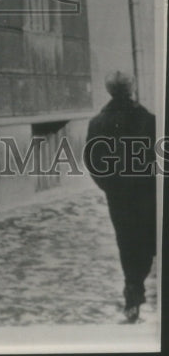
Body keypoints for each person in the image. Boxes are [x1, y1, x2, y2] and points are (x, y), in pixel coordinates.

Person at [84, 70, 156, 323]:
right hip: (148, 195)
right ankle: (135, 288)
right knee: (148, 244)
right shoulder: (149, 120)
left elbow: (93, 162)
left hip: (119, 198)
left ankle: (133, 290)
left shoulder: (98, 123)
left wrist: (109, 186)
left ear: (109, 91)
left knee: (127, 244)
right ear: (132, 88)